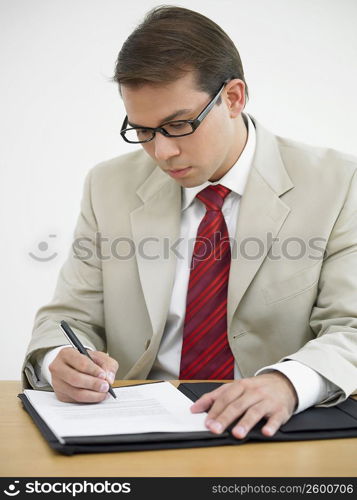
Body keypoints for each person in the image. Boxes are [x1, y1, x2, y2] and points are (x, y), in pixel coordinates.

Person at [22, 6, 357, 440]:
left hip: (273, 431)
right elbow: (67, 317)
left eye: (177, 125)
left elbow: (350, 327)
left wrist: (288, 384)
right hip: (137, 426)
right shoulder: (108, 185)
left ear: (233, 97)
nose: (161, 153)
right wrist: (58, 359)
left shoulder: (338, 183)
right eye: (142, 130)